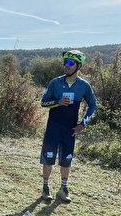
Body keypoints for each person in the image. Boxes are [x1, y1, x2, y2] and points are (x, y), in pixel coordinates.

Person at [40, 50, 97, 203]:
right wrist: (56, 102)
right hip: (53, 127)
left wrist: (83, 123)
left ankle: (63, 189)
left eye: (70, 63)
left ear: (78, 65)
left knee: (66, 160)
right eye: (65, 62)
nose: (66, 65)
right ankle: (46, 187)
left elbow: (93, 105)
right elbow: (43, 102)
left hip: (70, 129)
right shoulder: (55, 83)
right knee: (48, 158)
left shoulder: (84, 86)